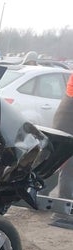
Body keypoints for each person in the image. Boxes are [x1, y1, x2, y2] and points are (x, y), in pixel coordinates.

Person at [52, 73, 73, 201]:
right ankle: (61, 214)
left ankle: (38, 194)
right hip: (67, 124)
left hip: (65, 119)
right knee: (68, 166)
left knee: (57, 163)